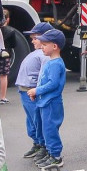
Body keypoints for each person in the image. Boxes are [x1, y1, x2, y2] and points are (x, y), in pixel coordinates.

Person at [28, 29, 66, 171]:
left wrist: (36, 91)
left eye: (44, 44)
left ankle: (56, 156)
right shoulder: (51, 62)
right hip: (45, 101)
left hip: (51, 103)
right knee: (45, 128)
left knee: (50, 129)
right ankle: (50, 152)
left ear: (54, 46)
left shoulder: (56, 63)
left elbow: (53, 84)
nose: (41, 47)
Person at [16, 23, 53, 160]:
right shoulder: (37, 53)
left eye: (35, 38)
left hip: (32, 93)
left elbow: (43, 75)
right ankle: (37, 143)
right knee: (31, 120)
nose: (32, 41)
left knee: (37, 120)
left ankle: (43, 145)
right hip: (24, 91)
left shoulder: (44, 56)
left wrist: (37, 91)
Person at [0, 9, 17, 105]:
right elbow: (14, 44)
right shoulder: (11, 31)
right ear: (7, 20)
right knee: (3, 76)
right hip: (5, 56)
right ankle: (3, 97)